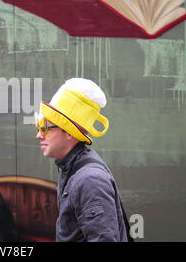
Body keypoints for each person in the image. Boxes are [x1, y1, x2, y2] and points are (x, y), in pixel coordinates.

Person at [35, 78, 130, 242]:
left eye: (46, 128)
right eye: (38, 127)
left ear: (70, 132)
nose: (39, 135)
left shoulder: (89, 180)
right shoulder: (73, 169)